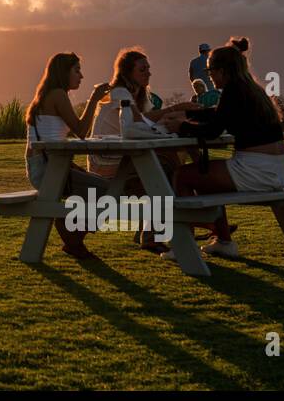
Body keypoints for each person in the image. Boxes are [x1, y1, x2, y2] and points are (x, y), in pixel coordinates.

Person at [160, 45, 284, 260]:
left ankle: (185, 246)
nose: (210, 76)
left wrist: (180, 127)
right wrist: (185, 114)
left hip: (256, 169)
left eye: (210, 71)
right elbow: (220, 115)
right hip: (277, 169)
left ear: (223, 71)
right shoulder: (250, 89)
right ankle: (223, 242)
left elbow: (212, 130)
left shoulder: (234, 91)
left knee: (182, 175)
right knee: (207, 177)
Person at [88, 49, 197, 252]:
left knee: (167, 165)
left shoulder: (140, 96)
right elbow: (139, 123)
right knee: (168, 167)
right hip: (106, 159)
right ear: (128, 73)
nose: (148, 73)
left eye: (148, 69)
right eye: (142, 69)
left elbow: (147, 126)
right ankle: (185, 225)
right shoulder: (120, 92)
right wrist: (173, 110)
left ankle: (162, 230)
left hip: (126, 156)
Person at [24, 53, 112, 260]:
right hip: (46, 171)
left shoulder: (50, 94)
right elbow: (81, 131)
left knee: (102, 188)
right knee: (106, 190)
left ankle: (73, 239)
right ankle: (70, 235)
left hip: (50, 166)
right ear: (64, 72)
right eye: (77, 70)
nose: (81, 76)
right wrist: (94, 99)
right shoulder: (57, 95)